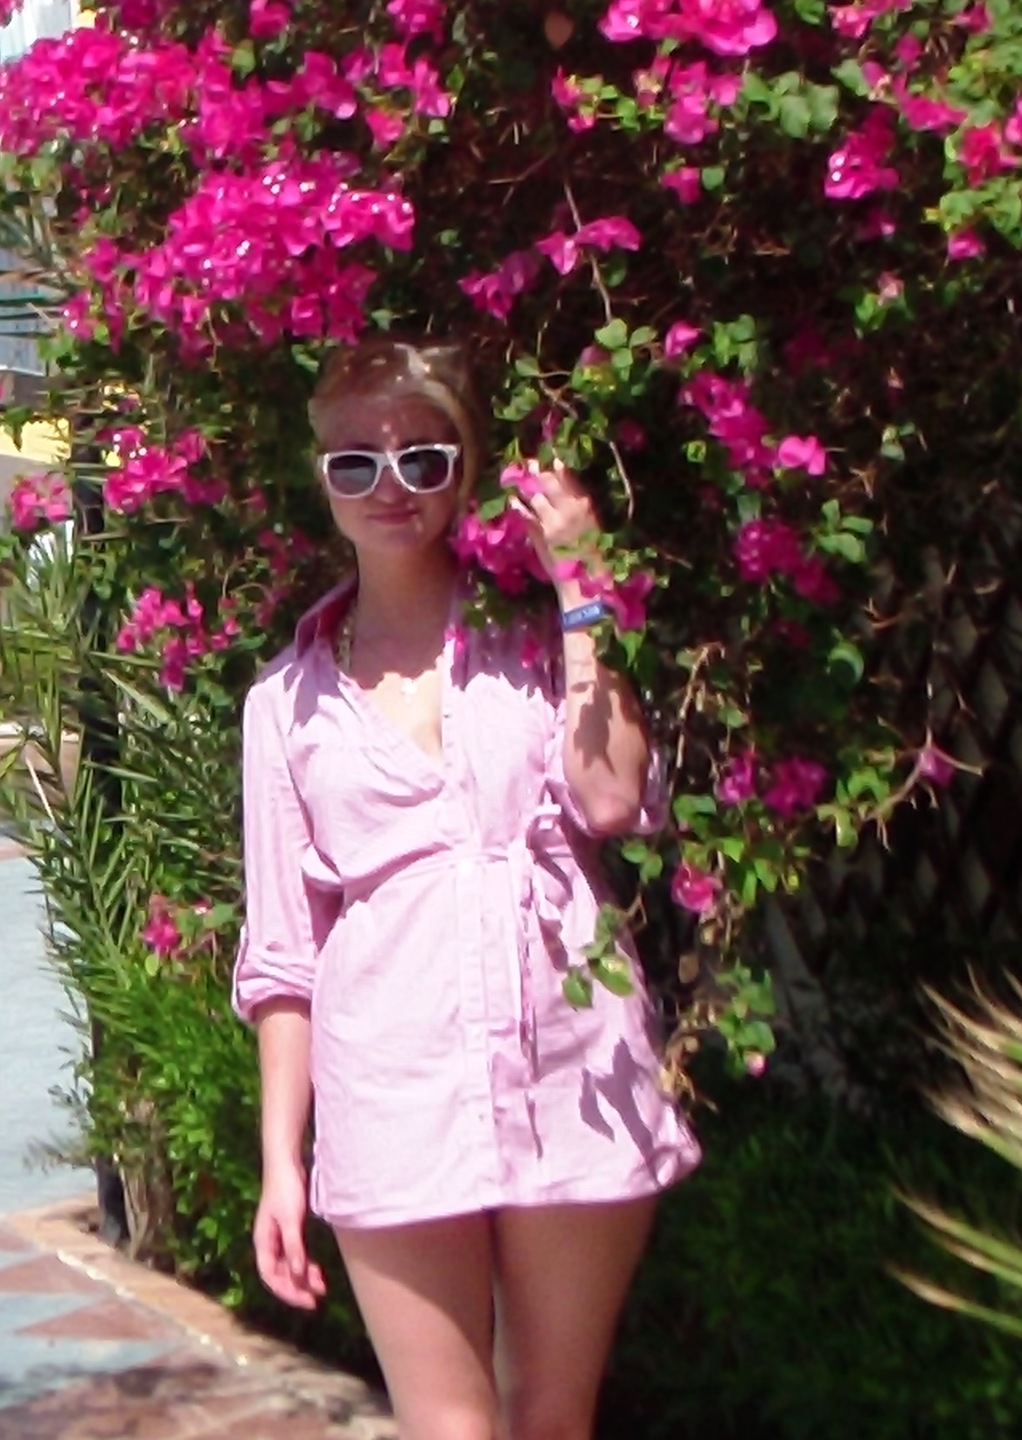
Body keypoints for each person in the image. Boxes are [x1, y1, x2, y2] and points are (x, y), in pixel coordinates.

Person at [234, 339, 702, 1440]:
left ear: (466, 467)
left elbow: (608, 798)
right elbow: (284, 959)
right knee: (449, 1427)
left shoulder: (536, 642)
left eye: (424, 457)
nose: (390, 486)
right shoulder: (283, 706)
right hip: (390, 1089)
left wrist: (580, 585)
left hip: (573, 1068)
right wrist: (280, 1165)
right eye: (357, 462)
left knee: (552, 1418)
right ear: (322, 479)